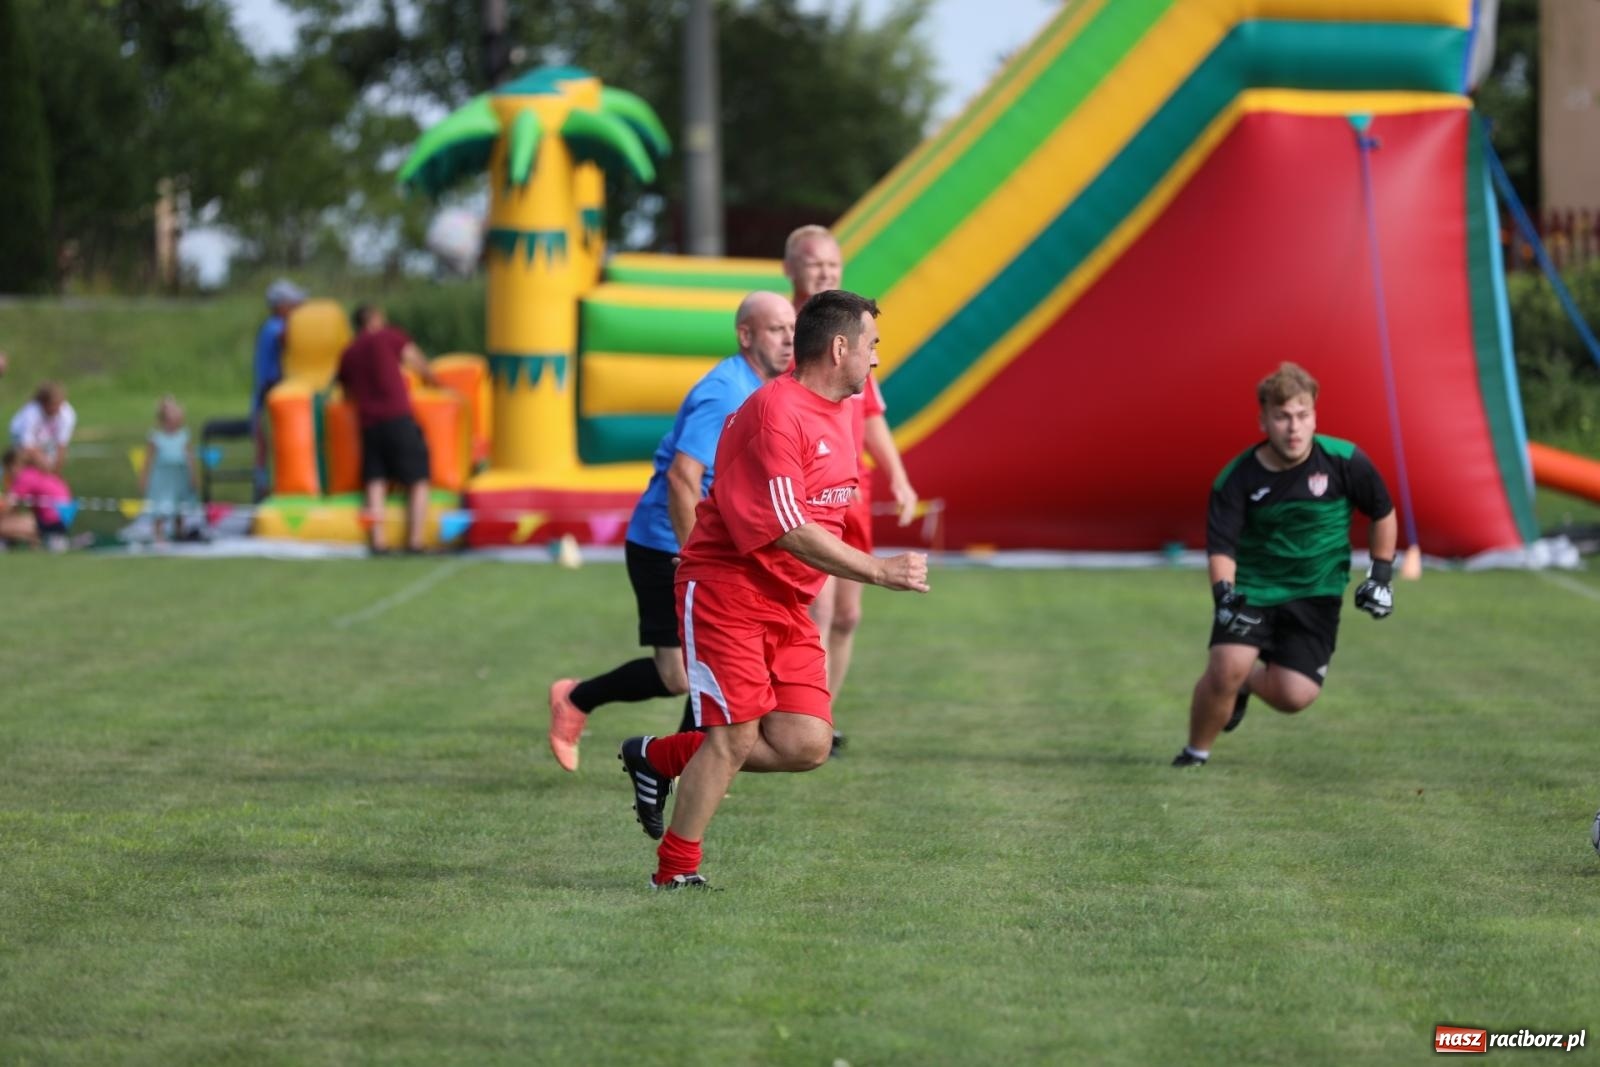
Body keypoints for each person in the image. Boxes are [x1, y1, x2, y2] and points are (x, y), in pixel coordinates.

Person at [617, 289, 930, 889]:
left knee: (807, 742)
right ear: (841, 348)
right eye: (872, 346)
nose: (876, 360)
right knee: (733, 738)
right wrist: (877, 569)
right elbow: (788, 526)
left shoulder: (841, 411)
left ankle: (656, 756)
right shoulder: (775, 412)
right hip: (726, 591)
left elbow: (830, 510)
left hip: (786, 602)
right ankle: (674, 872)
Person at [547, 291, 797, 771]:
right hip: (666, 543)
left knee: (692, 671)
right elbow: (684, 476)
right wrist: (695, 556)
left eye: (792, 328)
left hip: (704, 545)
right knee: (690, 672)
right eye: (775, 329)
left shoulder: (769, 387)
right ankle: (615, 726)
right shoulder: (726, 390)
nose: (788, 339)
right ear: (746, 335)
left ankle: (663, 758)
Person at [1172, 362, 1398, 768]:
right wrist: (1224, 595)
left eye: (1302, 415)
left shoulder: (1345, 461)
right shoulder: (1237, 478)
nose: (1293, 427)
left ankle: (1246, 686)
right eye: (1282, 417)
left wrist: (1380, 575)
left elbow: (1382, 512)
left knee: (1295, 696)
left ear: (1315, 416)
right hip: (1254, 589)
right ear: (1263, 420)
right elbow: (1221, 547)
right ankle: (1195, 753)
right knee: (1226, 668)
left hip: (1317, 592)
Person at [783, 225, 918, 751]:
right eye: (816, 265)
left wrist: (900, 477)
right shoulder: (790, 333)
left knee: (847, 613)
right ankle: (800, 715)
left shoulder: (854, 335)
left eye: (833, 266)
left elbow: (873, 413)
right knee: (814, 609)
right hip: (811, 493)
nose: (825, 274)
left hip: (851, 493)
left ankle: (824, 717)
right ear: (792, 270)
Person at [336, 304, 439, 554]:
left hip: (368, 423)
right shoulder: (388, 336)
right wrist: (435, 381)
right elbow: (415, 360)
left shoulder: (349, 352)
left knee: (375, 480)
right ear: (375, 318)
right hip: (397, 416)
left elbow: (345, 390)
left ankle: (378, 541)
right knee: (418, 478)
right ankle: (415, 541)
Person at [252, 278, 306, 499]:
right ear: (280, 305)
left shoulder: (273, 326)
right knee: (268, 449)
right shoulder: (275, 327)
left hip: (268, 394)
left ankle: (264, 490)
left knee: (267, 450)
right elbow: (288, 339)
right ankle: (264, 493)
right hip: (269, 394)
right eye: (294, 304)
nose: (298, 309)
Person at [140, 395, 199, 543]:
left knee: (179, 507)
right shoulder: (156, 438)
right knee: (160, 509)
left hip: (179, 478)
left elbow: (190, 458)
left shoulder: (184, 436)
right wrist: (144, 479)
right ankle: (159, 535)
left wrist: (193, 476)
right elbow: (148, 461)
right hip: (162, 481)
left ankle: (179, 532)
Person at [2, 447, 84, 551]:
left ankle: (47, 539)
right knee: (15, 521)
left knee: (3, 525)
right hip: (63, 517)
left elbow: (7, 506)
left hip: (52, 520)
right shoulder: (36, 472)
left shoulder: (25, 477)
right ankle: (46, 539)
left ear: (13, 465)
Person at [9, 382, 76, 474]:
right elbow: (27, 444)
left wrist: (55, 472)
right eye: (53, 405)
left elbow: (62, 446)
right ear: (44, 404)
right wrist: (42, 459)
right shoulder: (31, 413)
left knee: (51, 463)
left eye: (59, 404)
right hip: (20, 440)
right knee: (24, 461)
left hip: (45, 440)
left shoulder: (67, 413)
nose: (57, 409)